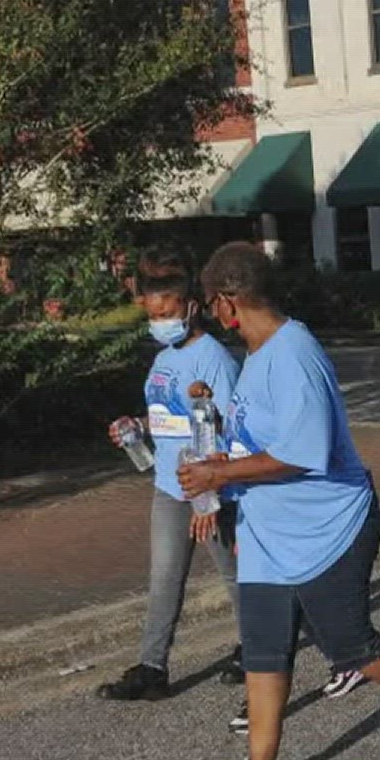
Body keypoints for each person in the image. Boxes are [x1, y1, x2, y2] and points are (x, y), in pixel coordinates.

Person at [179, 243, 380, 760]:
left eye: (210, 305)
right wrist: (219, 487)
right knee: (262, 649)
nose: (211, 317)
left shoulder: (295, 353)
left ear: (229, 303)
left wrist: (220, 472)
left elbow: (304, 453)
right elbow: (253, 442)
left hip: (331, 525)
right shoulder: (257, 356)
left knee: (349, 642)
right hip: (266, 531)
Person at [98, 248, 243, 701]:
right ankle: (152, 667)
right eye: (153, 312)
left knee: (235, 574)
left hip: (210, 488)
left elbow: (226, 431)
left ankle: (257, 648)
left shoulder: (214, 359)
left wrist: (209, 499)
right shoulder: (163, 361)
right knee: (164, 577)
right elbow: (170, 414)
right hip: (168, 485)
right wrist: (137, 427)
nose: (160, 320)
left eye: (168, 311)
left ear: (191, 306)